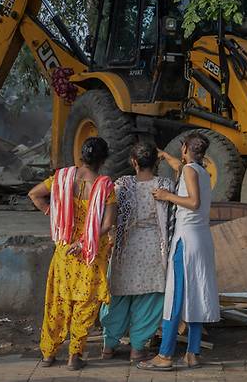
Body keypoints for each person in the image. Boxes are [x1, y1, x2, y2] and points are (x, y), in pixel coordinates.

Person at [28, 137, 117, 371]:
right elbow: (107, 225)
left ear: (81, 156)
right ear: (104, 159)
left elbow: (34, 194)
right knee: (84, 305)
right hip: (89, 253)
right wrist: (85, 240)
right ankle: (74, 357)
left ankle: (48, 354)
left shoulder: (61, 178)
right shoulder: (104, 186)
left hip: (64, 252)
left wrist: (53, 213)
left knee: (57, 303)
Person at [138, 132, 220, 371]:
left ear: (184, 148)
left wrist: (166, 196)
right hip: (201, 239)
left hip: (187, 240)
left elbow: (193, 202)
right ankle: (192, 353)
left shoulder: (189, 171)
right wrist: (164, 155)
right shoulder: (201, 171)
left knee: (175, 298)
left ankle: (165, 355)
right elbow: (182, 168)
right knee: (195, 296)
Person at [100, 142, 174, 362]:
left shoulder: (121, 185)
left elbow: (109, 215)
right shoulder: (165, 185)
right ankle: (137, 348)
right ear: (156, 161)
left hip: (125, 248)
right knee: (149, 298)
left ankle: (108, 346)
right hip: (153, 248)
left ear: (133, 162)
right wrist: (168, 156)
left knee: (117, 297)